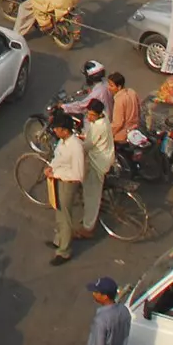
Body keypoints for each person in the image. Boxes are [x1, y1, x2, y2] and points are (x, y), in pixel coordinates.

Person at [46, 117, 86, 265]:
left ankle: (64, 251)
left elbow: (78, 174)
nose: (55, 131)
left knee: (65, 215)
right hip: (58, 179)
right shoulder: (63, 143)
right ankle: (60, 240)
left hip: (68, 182)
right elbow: (58, 158)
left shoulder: (75, 147)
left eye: (57, 129)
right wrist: (51, 167)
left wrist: (55, 174)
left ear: (65, 130)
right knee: (59, 212)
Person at [76, 100, 116, 240]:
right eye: (88, 114)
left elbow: (87, 146)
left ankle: (88, 227)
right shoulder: (104, 118)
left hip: (97, 162)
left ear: (98, 114)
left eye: (91, 115)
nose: (89, 117)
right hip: (106, 156)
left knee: (91, 196)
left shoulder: (99, 127)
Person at [107, 72, 140, 151]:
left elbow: (118, 123)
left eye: (111, 85)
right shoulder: (132, 92)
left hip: (122, 136)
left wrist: (108, 134)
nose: (109, 88)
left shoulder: (119, 100)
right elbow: (139, 108)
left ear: (119, 87)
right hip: (135, 130)